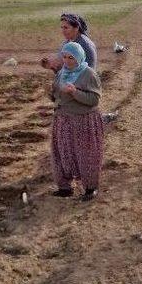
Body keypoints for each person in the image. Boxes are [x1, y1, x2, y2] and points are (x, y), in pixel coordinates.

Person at [50, 42, 103, 202]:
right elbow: (55, 94)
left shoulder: (89, 74)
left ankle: (90, 188)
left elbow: (94, 100)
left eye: (71, 57)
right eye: (64, 57)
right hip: (63, 119)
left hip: (84, 121)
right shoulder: (61, 73)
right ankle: (65, 188)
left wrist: (75, 92)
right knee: (62, 153)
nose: (67, 61)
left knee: (86, 154)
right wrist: (53, 92)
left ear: (79, 57)